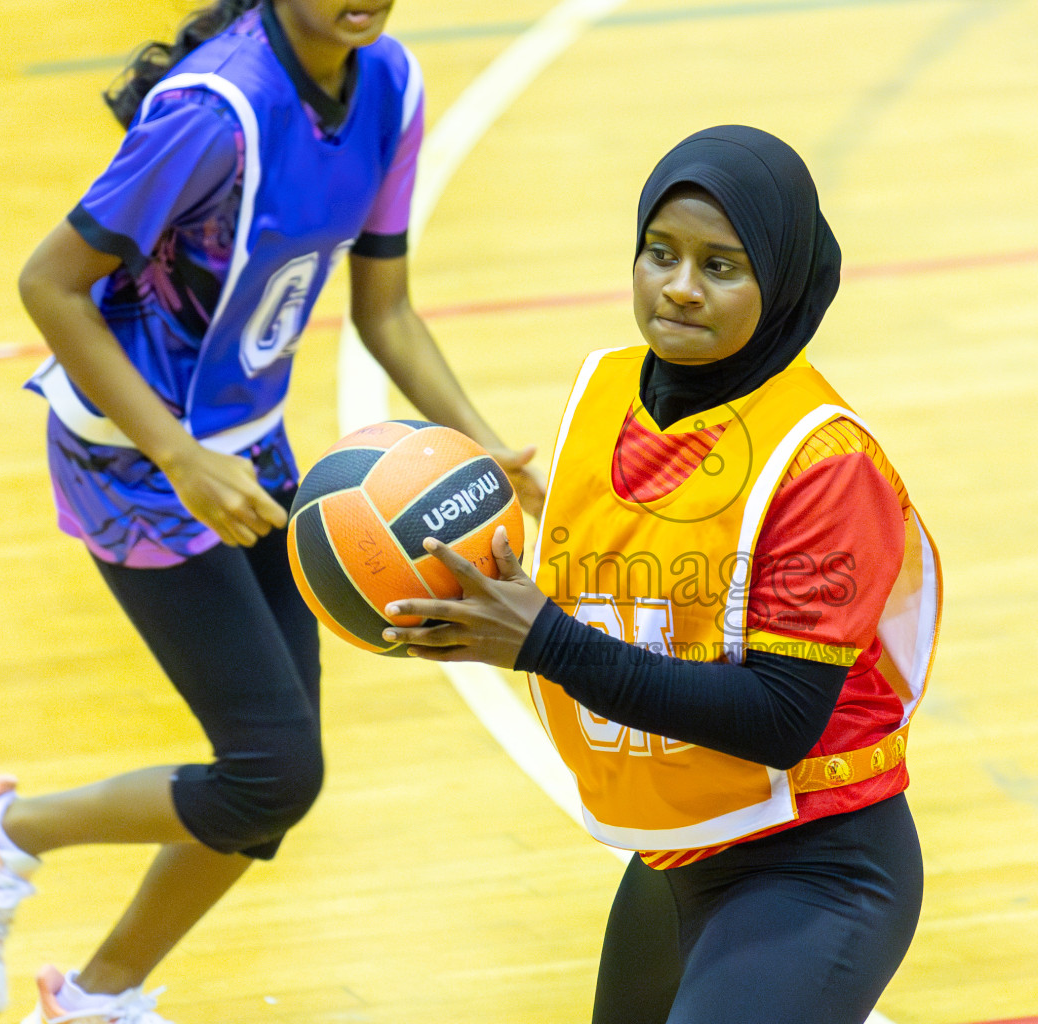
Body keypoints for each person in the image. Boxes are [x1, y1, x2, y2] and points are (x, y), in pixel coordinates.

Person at [0, 2, 543, 1022]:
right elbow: (49, 285)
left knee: (272, 777)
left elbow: (384, 309)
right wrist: (176, 456)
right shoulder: (214, 115)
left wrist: (481, 440)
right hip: (132, 461)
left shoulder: (389, 84)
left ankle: (94, 998)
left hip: (249, 449)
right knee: (273, 769)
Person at [382, 125, 943, 1024]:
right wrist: (472, 614)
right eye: (660, 253)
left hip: (815, 861)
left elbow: (779, 719)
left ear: (782, 282)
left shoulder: (827, 464)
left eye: (721, 266)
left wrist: (540, 642)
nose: (679, 287)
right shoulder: (604, 391)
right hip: (677, 852)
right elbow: (604, 623)